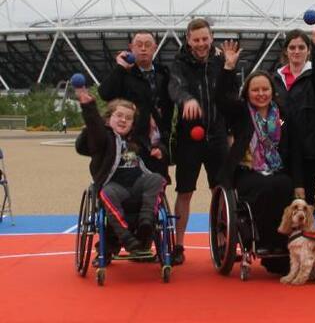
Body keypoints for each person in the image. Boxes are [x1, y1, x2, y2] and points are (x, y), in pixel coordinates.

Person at [168, 18, 236, 265]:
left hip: (217, 135)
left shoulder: (221, 61)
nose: (201, 44)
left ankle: (222, 241)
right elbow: (175, 87)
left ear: (211, 37)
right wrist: (186, 100)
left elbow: (231, 95)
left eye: (205, 39)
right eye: (196, 40)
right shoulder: (179, 63)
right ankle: (178, 245)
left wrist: (230, 131)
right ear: (188, 40)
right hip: (190, 138)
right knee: (184, 192)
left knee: (220, 191)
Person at [215, 58, 294, 271]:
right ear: (247, 93)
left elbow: (288, 141)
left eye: (265, 89)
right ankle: (262, 242)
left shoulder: (281, 115)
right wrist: (228, 68)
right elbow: (221, 99)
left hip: (276, 169)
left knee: (285, 185)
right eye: (255, 90)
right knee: (264, 187)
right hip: (246, 170)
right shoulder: (241, 113)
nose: (261, 94)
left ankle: (280, 245)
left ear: (272, 91)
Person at [75, 87, 166, 261]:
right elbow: (95, 130)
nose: (123, 120)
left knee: (156, 179)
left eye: (128, 118)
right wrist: (89, 108)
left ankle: (146, 223)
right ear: (108, 119)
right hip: (114, 186)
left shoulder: (137, 140)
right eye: (119, 116)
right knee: (107, 193)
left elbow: (158, 146)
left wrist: (160, 152)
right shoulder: (104, 139)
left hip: (137, 186)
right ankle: (126, 238)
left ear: (133, 123)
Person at [98, 31, 173, 180]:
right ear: (131, 48)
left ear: (155, 48)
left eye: (147, 45)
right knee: (130, 182)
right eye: (139, 45)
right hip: (131, 141)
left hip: (156, 142)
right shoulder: (123, 73)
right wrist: (120, 67)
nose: (143, 48)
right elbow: (105, 93)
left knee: (157, 184)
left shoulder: (164, 74)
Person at [273, 23, 315, 207]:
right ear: (285, 51)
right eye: (292, 47)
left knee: (306, 197)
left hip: (310, 148)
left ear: (308, 51)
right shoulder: (275, 79)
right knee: (283, 196)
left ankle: (307, 235)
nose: (296, 51)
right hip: (281, 149)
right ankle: (284, 235)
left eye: (301, 47)